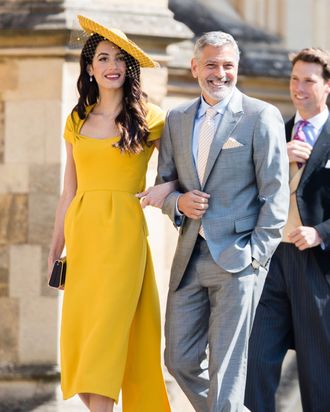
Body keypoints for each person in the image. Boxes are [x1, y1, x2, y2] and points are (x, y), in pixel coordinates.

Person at [152, 31, 290, 412]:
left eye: (228, 65)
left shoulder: (261, 115)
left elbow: (275, 194)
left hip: (239, 258)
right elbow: (164, 186)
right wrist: (179, 202)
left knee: (226, 368)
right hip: (188, 260)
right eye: (211, 64)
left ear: (237, 67)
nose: (220, 73)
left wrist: (256, 256)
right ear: (195, 67)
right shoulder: (177, 119)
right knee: (178, 359)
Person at [48, 15, 173, 412]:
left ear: (129, 68)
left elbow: (177, 175)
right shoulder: (76, 119)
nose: (112, 66)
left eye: (120, 59)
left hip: (123, 236)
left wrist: (164, 189)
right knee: (81, 343)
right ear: (90, 67)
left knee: (107, 337)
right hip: (82, 239)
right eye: (103, 58)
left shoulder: (151, 119)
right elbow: (69, 190)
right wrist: (55, 251)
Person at [245, 48, 330, 412]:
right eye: (294, 79)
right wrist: (278, 158)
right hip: (271, 262)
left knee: (318, 375)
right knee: (255, 363)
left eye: (309, 80)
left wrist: (321, 232)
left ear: (327, 86)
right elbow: (251, 191)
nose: (299, 88)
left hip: (315, 265)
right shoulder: (274, 132)